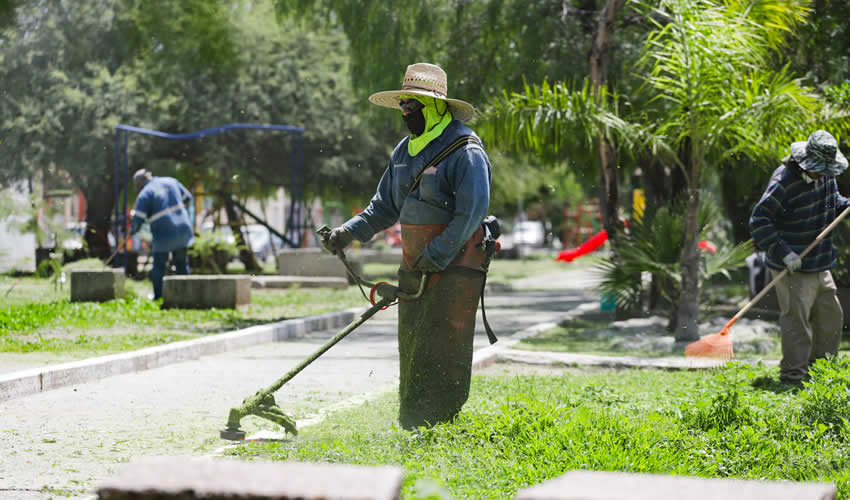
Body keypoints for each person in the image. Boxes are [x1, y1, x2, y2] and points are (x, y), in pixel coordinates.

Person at [325, 62, 492, 429]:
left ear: (436, 106)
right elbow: (384, 206)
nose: (406, 111)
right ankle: (413, 420)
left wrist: (438, 254)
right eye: (403, 104)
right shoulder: (403, 152)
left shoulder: (465, 150)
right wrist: (347, 233)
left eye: (413, 104)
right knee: (414, 342)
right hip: (416, 266)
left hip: (455, 265)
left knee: (444, 343)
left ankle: (441, 422)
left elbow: (472, 211)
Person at [749, 130, 849, 385]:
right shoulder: (784, 181)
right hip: (792, 265)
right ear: (806, 162)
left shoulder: (826, 174)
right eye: (820, 168)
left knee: (831, 317)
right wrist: (784, 253)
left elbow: (832, 202)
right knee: (797, 322)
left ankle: (822, 376)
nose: (825, 173)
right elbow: (759, 221)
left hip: (820, 261)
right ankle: (793, 377)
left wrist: (846, 205)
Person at [130, 169, 195, 300]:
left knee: (159, 266)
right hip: (182, 229)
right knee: (182, 264)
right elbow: (188, 198)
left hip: (163, 233)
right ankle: (186, 296)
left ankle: (158, 296)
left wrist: (133, 230)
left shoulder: (145, 193)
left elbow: (138, 219)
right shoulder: (171, 181)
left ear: (140, 183)